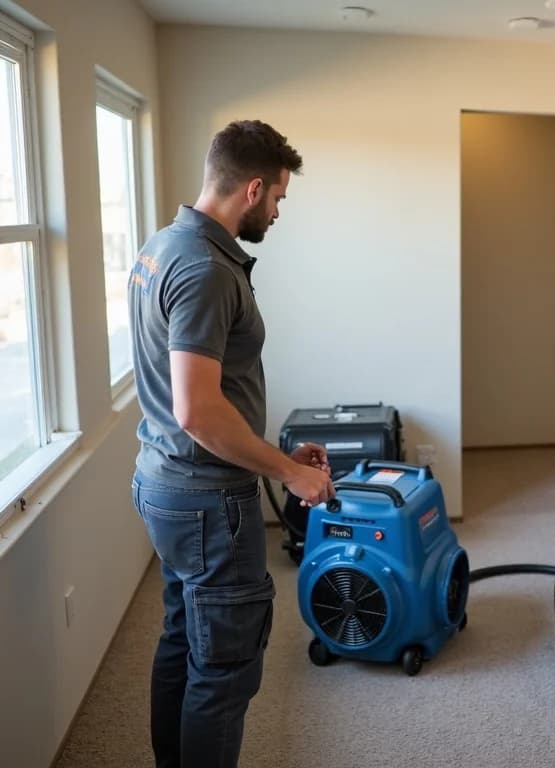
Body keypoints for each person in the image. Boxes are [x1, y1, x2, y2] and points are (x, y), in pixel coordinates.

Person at [128, 119, 336, 768]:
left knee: (182, 640)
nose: (276, 211)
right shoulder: (207, 271)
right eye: (276, 198)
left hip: (163, 482)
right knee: (225, 669)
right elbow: (197, 410)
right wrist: (288, 474)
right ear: (251, 189)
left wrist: (274, 453)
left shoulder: (162, 246)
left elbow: (201, 397)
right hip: (208, 503)